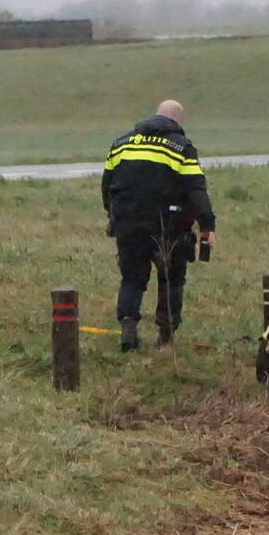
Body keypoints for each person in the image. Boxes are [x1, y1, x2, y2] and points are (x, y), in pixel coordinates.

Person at [102, 99, 215, 351]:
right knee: (171, 280)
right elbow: (196, 189)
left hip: (128, 224)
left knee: (131, 279)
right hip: (168, 226)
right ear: (178, 121)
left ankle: (128, 328)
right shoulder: (181, 147)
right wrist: (208, 225)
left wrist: (113, 216)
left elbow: (107, 184)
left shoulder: (121, 143)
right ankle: (165, 336)